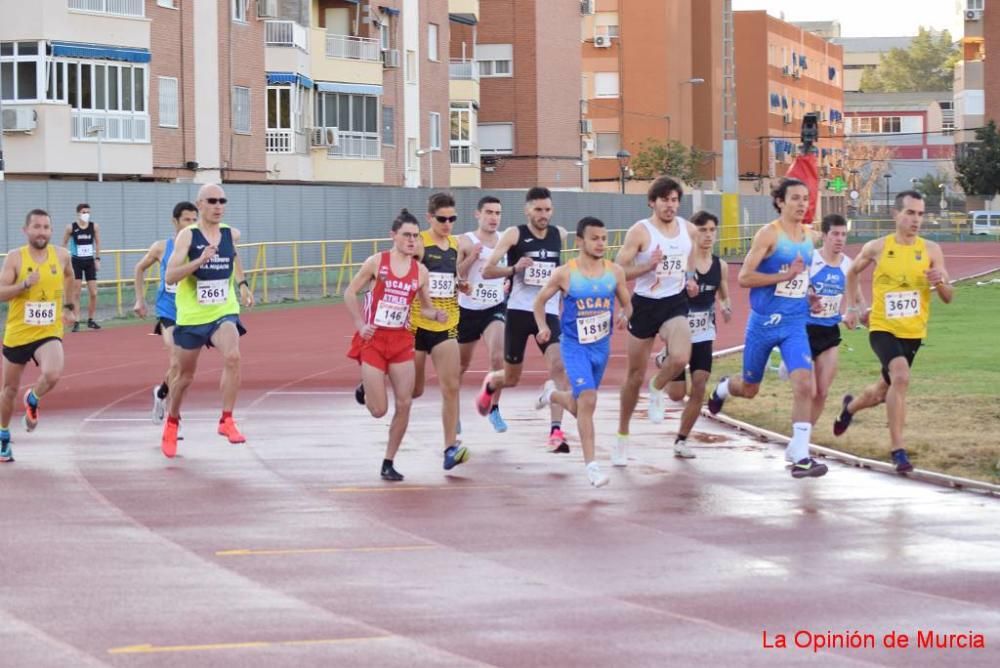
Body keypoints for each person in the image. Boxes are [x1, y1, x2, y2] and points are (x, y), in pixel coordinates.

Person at [706, 178, 829, 479]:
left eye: (805, 198)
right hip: (763, 324)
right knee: (749, 389)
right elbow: (744, 278)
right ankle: (723, 387)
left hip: (795, 322)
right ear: (780, 202)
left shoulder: (809, 236)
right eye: (795, 198)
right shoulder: (768, 235)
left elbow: (801, 277)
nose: (802, 204)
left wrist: (809, 293)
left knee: (804, 384)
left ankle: (799, 453)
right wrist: (785, 277)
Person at [833, 190, 953, 473]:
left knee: (881, 391)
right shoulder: (877, 247)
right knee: (901, 376)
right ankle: (898, 450)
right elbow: (852, 273)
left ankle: (849, 408)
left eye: (921, 214)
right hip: (882, 327)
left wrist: (940, 282)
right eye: (910, 213)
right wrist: (855, 306)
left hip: (913, 332)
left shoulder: (931, 250)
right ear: (895, 214)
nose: (916, 220)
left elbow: (948, 296)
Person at [345, 209, 453, 481]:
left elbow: (425, 307)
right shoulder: (376, 262)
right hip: (374, 338)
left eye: (415, 236)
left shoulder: (421, 272)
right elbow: (349, 292)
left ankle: (388, 462)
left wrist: (436, 314)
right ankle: (367, 388)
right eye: (406, 235)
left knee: (405, 403)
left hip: (402, 340)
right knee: (378, 410)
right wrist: (359, 324)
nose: (412, 240)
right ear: (393, 235)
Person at [534, 217, 631, 487]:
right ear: (580, 241)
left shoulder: (615, 272)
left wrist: (624, 314)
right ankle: (592, 467)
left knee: (582, 406)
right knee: (587, 399)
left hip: (601, 348)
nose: (600, 243)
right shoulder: (566, 273)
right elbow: (539, 301)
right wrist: (542, 326)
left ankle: (551, 394)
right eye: (594, 238)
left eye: (604, 238)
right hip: (574, 346)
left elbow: (627, 303)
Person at [159, 184, 254, 459]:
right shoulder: (187, 237)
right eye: (212, 201)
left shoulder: (228, 233)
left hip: (223, 310)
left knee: (233, 356)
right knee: (184, 376)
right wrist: (199, 260)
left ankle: (227, 419)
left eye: (222, 200)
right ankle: (172, 421)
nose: (218, 205)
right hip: (191, 316)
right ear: (200, 204)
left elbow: (233, 254)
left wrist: (243, 284)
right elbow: (170, 277)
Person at [474, 187, 572, 452]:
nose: (543, 215)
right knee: (512, 377)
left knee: (559, 366)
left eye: (547, 209)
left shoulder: (559, 235)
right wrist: (514, 268)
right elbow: (487, 270)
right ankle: (492, 383)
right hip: (518, 312)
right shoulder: (514, 234)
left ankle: (555, 432)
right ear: (527, 210)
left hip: (548, 312)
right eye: (538, 209)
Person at [614, 176, 699, 466]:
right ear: (653, 202)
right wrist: (647, 266)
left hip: (674, 303)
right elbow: (619, 271)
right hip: (644, 306)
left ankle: (657, 386)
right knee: (633, 376)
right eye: (664, 200)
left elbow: (689, 261)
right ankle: (622, 436)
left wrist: (690, 280)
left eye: (674, 200)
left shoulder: (688, 230)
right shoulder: (641, 232)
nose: (670, 205)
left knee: (680, 357)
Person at [0, 209, 77, 462]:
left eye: (45, 227)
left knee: (53, 373)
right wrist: (23, 285)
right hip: (19, 332)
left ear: (51, 231)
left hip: (48, 330)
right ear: (26, 230)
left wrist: (69, 306)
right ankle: (3, 436)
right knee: (8, 390)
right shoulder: (15, 258)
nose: (41, 232)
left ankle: (33, 398)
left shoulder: (62, 255)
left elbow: (70, 278)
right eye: (36, 227)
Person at [654, 211, 732, 458]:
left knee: (699, 385)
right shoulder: (683, 263)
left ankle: (681, 440)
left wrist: (725, 305)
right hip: (680, 332)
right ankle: (665, 358)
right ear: (693, 233)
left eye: (712, 230)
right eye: (702, 230)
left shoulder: (721, 265)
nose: (708, 235)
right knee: (677, 394)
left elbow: (724, 292)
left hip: (704, 334)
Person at [783, 213, 866, 425]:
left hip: (829, 332)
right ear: (824, 235)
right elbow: (793, 287)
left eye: (843, 235)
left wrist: (857, 312)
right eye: (835, 234)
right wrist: (809, 297)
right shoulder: (811, 259)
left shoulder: (849, 265)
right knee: (808, 391)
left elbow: (857, 296)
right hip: (804, 330)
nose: (840, 239)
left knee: (822, 392)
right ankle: (798, 441)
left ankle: (804, 440)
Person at [408, 192, 469, 467]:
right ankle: (373, 378)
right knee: (415, 390)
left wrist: (460, 285)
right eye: (442, 219)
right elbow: (407, 277)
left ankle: (449, 448)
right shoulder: (419, 243)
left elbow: (450, 277)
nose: (447, 224)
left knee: (451, 386)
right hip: (416, 325)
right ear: (429, 218)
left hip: (447, 324)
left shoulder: (455, 244)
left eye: (452, 219)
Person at [133, 201, 198, 423]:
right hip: (168, 311)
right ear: (175, 222)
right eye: (186, 220)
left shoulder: (199, 249)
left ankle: (161, 393)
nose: (190, 224)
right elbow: (139, 268)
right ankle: (173, 417)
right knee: (175, 360)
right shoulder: (162, 247)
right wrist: (140, 299)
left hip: (191, 313)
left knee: (182, 367)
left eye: (193, 220)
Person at [457, 195, 509, 433]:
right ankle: (453, 411)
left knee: (498, 357)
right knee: (460, 365)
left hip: (494, 307)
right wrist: (472, 257)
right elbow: (455, 274)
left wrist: (509, 280)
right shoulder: (465, 241)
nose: (494, 218)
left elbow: (510, 268)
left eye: (497, 213)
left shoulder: (505, 240)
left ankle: (494, 407)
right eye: (489, 212)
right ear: (478, 214)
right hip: (467, 309)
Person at [62, 203, 101, 332]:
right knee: (76, 293)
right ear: (78, 213)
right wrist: (65, 260)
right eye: (84, 212)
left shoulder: (93, 226)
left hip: (89, 261)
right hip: (76, 262)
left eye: (88, 212)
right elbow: (64, 244)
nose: (86, 215)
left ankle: (91, 319)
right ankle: (77, 320)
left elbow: (98, 242)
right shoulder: (71, 228)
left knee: (94, 293)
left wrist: (97, 259)